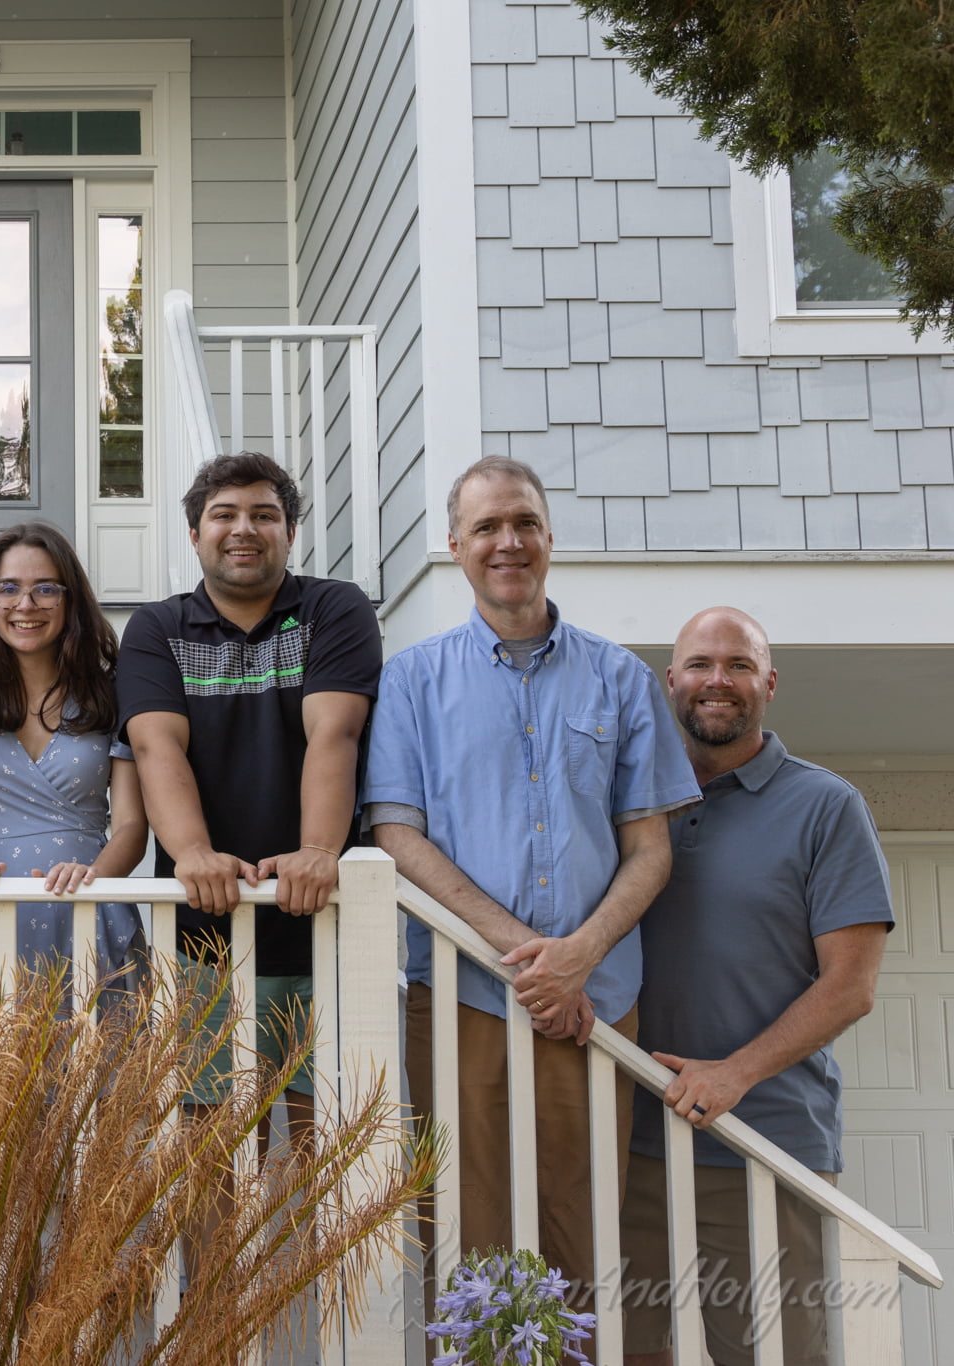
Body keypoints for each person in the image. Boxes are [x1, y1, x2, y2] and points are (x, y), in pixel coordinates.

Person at [364, 455, 699, 1309]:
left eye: (523, 524)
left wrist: (579, 957)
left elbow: (650, 849)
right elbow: (397, 835)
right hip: (464, 995)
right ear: (456, 546)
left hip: (596, 999)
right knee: (468, 1233)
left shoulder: (620, 679)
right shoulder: (411, 680)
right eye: (486, 528)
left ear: (548, 539)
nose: (506, 542)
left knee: (580, 1231)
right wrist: (530, 959)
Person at [622, 608, 891, 1366]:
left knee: (773, 1356)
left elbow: (851, 986)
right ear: (670, 681)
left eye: (738, 665)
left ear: (768, 683)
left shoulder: (826, 806)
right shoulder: (630, 805)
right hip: (629, 1140)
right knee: (625, 1348)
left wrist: (734, 1072)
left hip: (764, 1145)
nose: (718, 681)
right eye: (700, 664)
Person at [118, 451, 381, 1122]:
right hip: (202, 935)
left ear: (290, 532)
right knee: (214, 1151)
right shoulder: (157, 627)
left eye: (265, 515)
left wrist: (319, 850)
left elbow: (336, 733)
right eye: (223, 515)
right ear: (195, 535)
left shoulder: (335, 609)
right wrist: (191, 852)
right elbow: (156, 745)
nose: (244, 529)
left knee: (324, 1132)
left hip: (319, 921)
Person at [0, 521, 149, 1028]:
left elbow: (131, 825)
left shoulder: (111, 692)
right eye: (10, 588)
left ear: (70, 600)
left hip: (91, 913)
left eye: (46, 588)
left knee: (102, 1096)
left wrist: (98, 878)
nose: (27, 604)